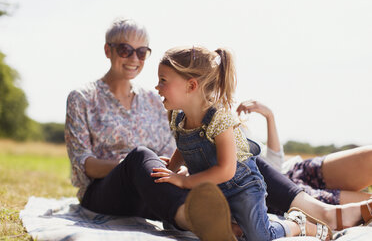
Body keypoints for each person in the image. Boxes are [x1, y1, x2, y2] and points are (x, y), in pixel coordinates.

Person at [65, 18, 371, 241]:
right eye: (124, 49)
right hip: (109, 189)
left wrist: (176, 171)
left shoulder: (154, 99)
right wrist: (142, 166)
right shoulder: (83, 97)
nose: (133, 58)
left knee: (239, 153)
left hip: (160, 185)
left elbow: (179, 148)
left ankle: (320, 211)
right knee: (139, 157)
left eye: (141, 51)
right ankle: (199, 221)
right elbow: (84, 164)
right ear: (108, 50)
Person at [151, 45, 339, 240]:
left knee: (259, 236)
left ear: (191, 86)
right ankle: (237, 227)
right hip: (209, 188)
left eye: (163, 81)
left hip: (242, 187)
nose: (157, 87)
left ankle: (296, 224)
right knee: (182, 222)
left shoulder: (220, 119)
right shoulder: (177, 117)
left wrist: (184, 181)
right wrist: (172, 168)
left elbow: (226, 170)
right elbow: (185, 145)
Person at [236, 100, 372, 205]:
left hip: (295, 169)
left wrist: (269, 116)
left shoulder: (234, 121)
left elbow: (275, 161)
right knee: (366, 205)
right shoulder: (221, 126)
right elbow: (273, 168)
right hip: (282, 191)